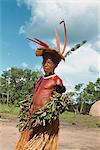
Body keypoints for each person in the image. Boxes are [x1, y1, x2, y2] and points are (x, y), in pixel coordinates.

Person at [16, 20, 67, 150]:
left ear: (55, 64)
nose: (45, 64)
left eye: (49, 62)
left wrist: (61, 91)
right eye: (44, 61)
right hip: (32, 118)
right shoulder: (39, 80)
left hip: (46, 123)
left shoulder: (57, 80)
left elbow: (58, 103)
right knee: (24, 144)